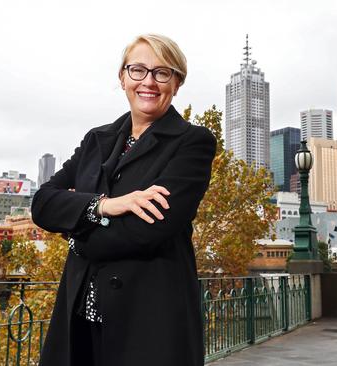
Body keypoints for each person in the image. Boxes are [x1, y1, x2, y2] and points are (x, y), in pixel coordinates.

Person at [32, 34, 216, 366]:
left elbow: (148, 231)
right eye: (138, 70)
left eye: (162, 72)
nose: (148, 81)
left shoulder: (193, 142)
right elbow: (43, 204)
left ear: (177, 83)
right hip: (79, 319)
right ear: (122, 78)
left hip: (148, 323)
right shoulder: (96, 140)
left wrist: (75, 231)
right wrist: (102, 205)